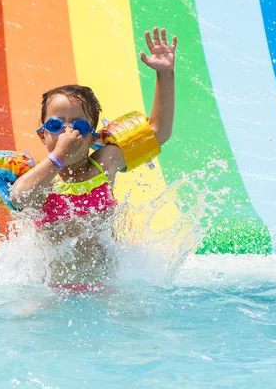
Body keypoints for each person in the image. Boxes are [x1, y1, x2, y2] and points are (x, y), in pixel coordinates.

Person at [10, 27, 177, 291]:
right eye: (55, 124)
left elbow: (158, 134)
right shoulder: (43, 177)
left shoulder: (105, 162)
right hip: (53, 291)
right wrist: (58, 158)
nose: (68, 131)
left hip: (105, 288)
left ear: (92, 137)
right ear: (42, 135)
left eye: (79, 125)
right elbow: (18, 197)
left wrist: (165, 74)